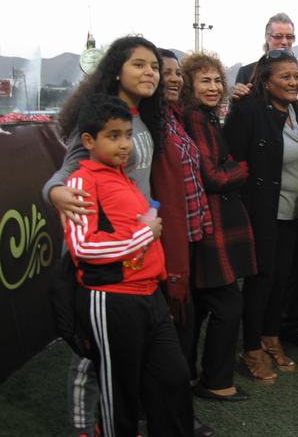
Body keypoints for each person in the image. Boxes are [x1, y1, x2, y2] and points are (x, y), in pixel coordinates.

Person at [43, 35, 167, 437]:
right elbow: (66, 173)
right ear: (116, 70)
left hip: (136, 252)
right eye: (139, 65)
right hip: (99, 256)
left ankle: (115, 420)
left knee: (124, 350)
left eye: (154, 66)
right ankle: (84, 428)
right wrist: (55, 192)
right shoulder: (102, 121)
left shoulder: (141, 116)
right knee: (90, 353)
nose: (150, 73)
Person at [64, 93, 193, 436]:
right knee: (118, 392)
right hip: (111, 298)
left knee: (174, 376)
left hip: (149, 294)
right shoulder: (81, 181)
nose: (124, 144)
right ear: (89, 141)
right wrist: (145, 234)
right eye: (113, 136)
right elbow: (83, 246)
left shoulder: (123, 177)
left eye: (127, 135)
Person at [224, 49, 298, 384]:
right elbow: (231, 160)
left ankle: (270, 337)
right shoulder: (248, 111)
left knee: (282, 279)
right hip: (261, 212)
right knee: (261, 281)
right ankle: (251, 349)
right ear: (266, 80)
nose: (293, 82)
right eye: (285, 77)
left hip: (294, 212)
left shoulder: (297, 112)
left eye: (296, 76)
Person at [181, 53, 256, 401]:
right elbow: (210, 176)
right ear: (190, 86)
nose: (212, 87)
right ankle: (216, 381)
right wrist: (240, 169)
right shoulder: (197, 118)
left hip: (208, 222)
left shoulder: (203, 116)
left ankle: (191, 375)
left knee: (200, 306)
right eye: (204, 81)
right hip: (211, 223)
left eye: (216, 81)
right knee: (227, 305)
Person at [155, 49, 216, 436]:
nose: (174, 78)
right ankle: (171, 417)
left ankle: (175, 413)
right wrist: (57, 188)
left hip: (188, 238)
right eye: (165, 72)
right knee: (170, 338)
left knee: (181, 333)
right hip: (161, 248)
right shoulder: (146, 124)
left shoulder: (175, 118)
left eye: (177, 72)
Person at [234, 12, 298, 98]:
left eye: (289, 37)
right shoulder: (247, 72)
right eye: (278, 36)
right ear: (267, 37)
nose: (284, 42)